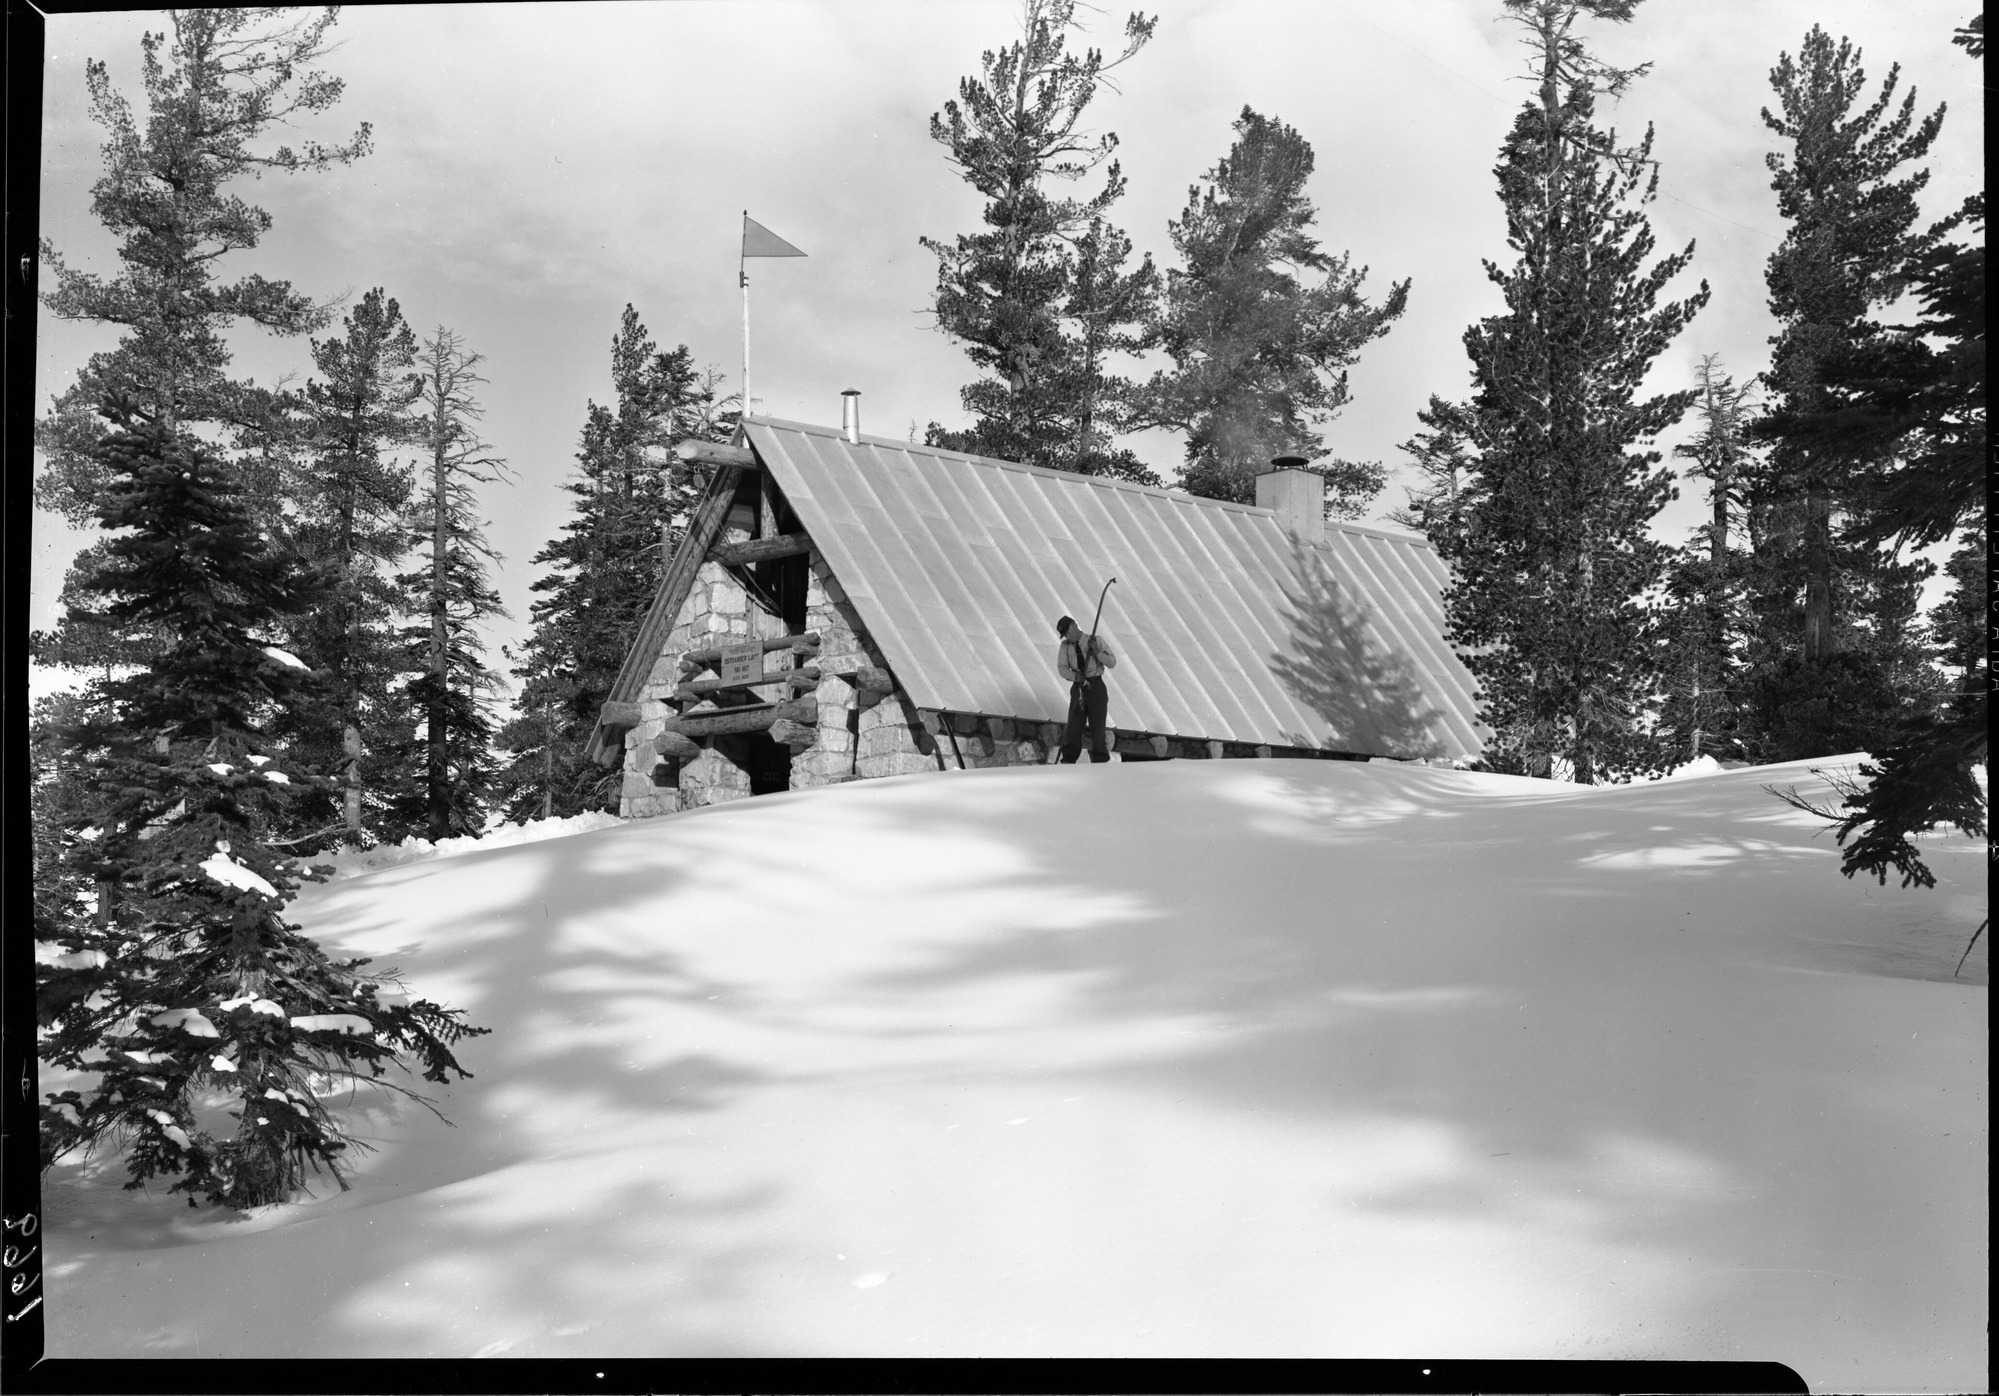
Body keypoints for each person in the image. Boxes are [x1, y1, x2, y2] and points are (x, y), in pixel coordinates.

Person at [1055, 614, 1117, 763]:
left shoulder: (1095, 640)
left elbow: (1112, 662)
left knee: (1098, 728)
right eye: (1065, 635)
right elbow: (1062, 668)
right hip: (1079, 688)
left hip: (1096, 687)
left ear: (1075, 626)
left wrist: (1096, 651)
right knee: (1073, 727)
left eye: (1069, 633)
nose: (1068, 637)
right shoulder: (1065, 647)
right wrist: (1075, 677)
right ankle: (1068, 760)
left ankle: (1100, 761)